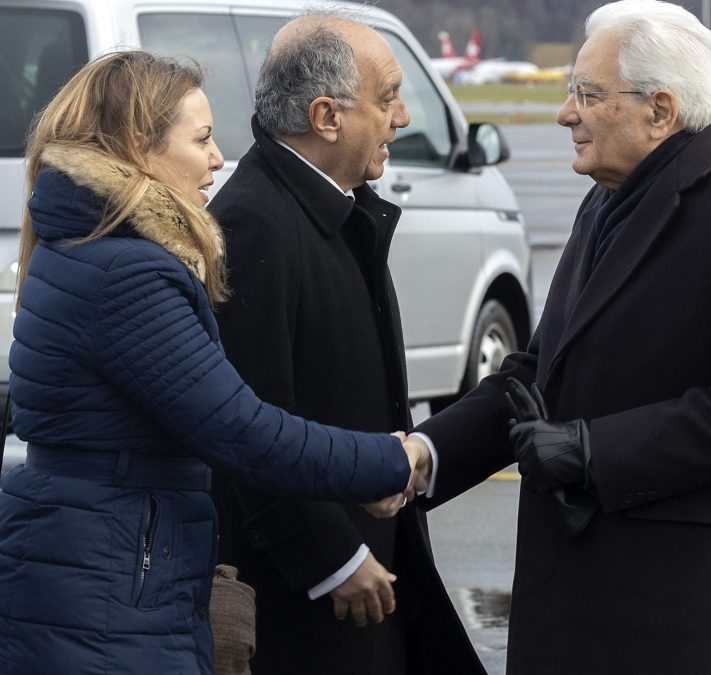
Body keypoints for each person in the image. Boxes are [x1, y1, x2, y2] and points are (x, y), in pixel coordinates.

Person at [404, 1, 711, 672]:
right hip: (574, 602)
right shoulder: (605, 196)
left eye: (587, 95)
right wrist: (424, 455)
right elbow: (538, 372)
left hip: (677, 615)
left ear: (660, 110)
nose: (564, 113)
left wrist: (594, 451)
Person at [0, 50, 423, 675]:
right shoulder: (128, 271)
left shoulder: (82, 242)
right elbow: (243, 431)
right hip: (110, 585)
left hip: (97, 563)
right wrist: (391, 459)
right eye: (200, 139)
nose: (219, 159)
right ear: (141, 146)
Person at [206, 12, 484, 675]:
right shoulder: (255, 226)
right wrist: (331, 558)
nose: (403, 117)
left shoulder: (331, 208)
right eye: (387, 97)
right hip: (308, 601)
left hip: (363, 574)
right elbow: (247, 429)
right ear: (327, 116)